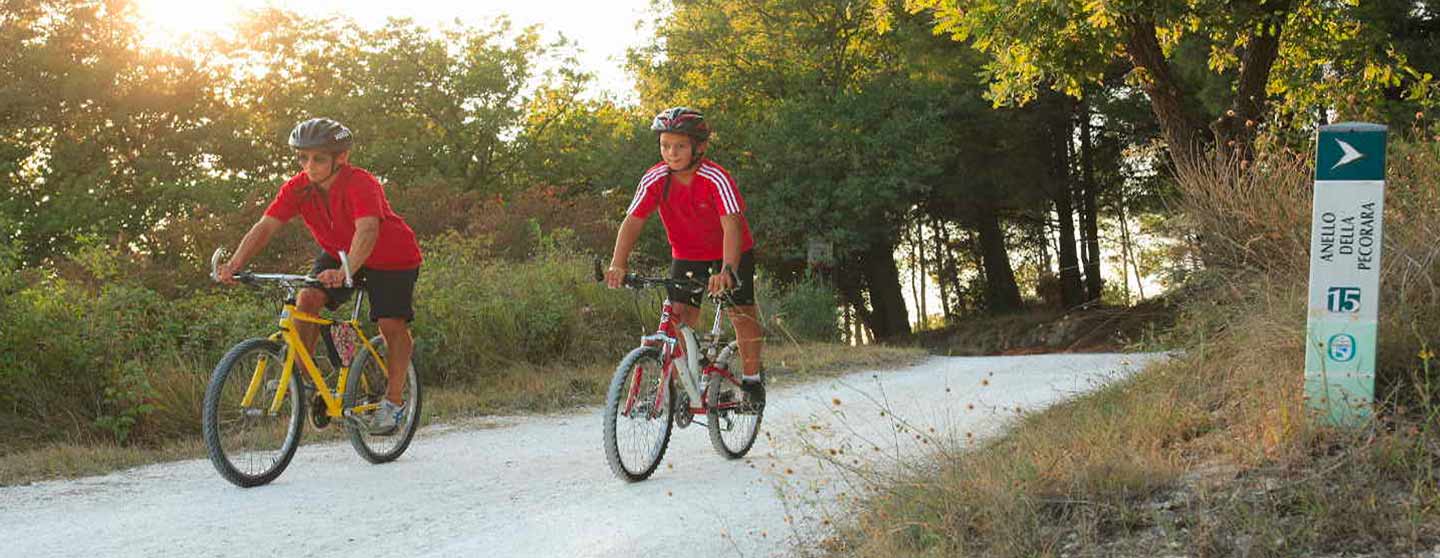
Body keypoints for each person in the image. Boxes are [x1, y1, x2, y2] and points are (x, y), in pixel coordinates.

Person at [214, 117, 422, 434]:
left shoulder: (361, 183)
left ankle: (393, 402)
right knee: (307, 298)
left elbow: (367, 230)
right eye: (302, 157)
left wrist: (346, 270)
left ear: (341, 157)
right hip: (340, 251)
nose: (309, 166)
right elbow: (266, 226)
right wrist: (235, 264)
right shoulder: (298, 188)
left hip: (391, 256)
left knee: (390, 323)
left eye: (318, 158)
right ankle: (303, 382)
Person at [604, 107, 766, 410]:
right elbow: (633, 220)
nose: (671, 153)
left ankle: (752, 381)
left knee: (741, 314)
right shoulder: (655, 178)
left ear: (699, 147)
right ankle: (682, 382)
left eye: (679, 146)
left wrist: (728, 270)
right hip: (688, 254)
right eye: (665, 145)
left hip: (731, 251)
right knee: (678, 316)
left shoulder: (716, 178)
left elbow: (731, 224)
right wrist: (618, 263)